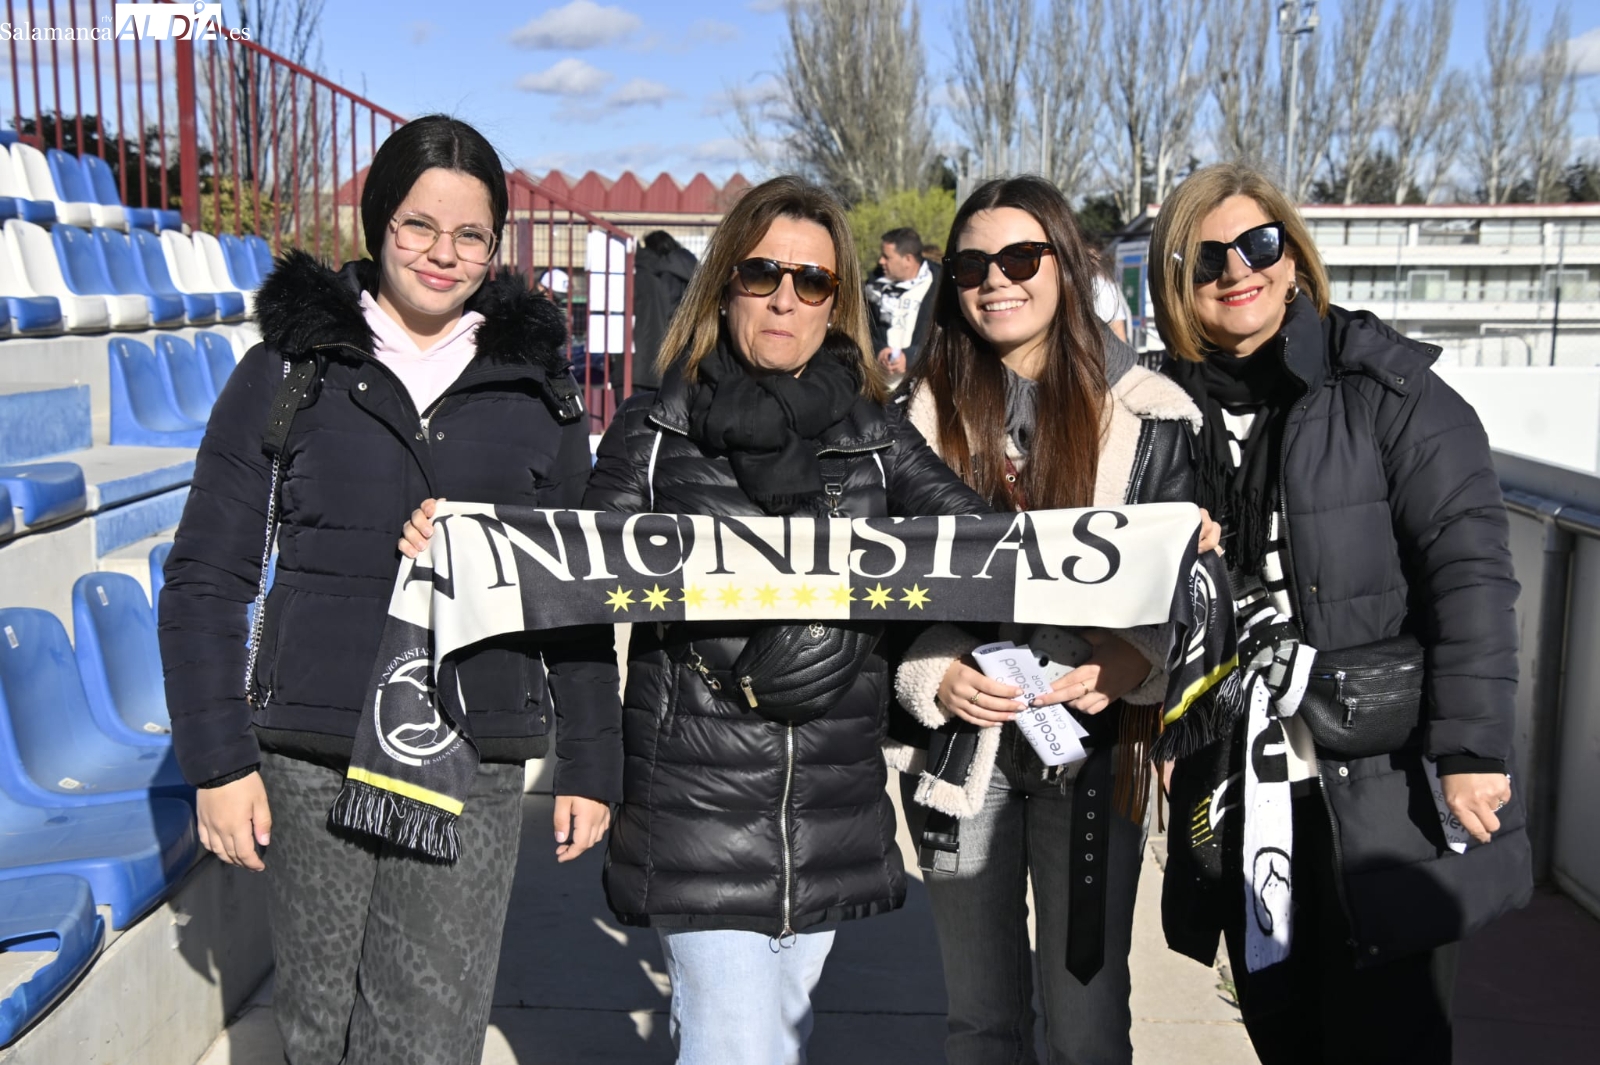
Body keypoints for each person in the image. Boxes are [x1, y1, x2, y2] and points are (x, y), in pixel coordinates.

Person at [405, 175, 988, 1065]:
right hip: (693, 809)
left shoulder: (881, 436)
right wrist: (462, 539)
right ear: (725, 284)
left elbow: (986, 550)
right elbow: (571, 574)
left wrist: (1156, 540)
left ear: (839, 304)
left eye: (813, 281)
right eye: (763, 275)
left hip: (827, 814)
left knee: (768, 1038)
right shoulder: (658, 430)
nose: (785, 298)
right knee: (739, 1050)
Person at [159, 115, 622, 1065]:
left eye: (469, 236)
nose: (442, 255)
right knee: (322, 1033)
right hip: (311, 754)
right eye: (419, 225)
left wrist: (591, 759)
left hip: (470, 754)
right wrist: (217, 760)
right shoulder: (287, 371)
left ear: (495, 248)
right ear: (377, 224)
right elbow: (207, 574)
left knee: (427, 1038)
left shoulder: (540, 391)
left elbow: (575, 588)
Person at [1148, 162, 1529, 1064]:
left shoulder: (1388, 391)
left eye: (1259, 244)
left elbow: (1470, 567)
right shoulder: (1158, 417)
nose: (1237, 270)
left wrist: (1471, 750)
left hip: (1379, 788)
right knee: (1284, 1034)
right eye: (1207, 259)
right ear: (1177, 284)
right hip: (1242, 789)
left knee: (1389, 1036)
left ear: (1294, 255)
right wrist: (1172, 734)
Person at [887, 175, 1212, 1065]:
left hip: (1091, 756)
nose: (997, 280)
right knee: (982, 1021)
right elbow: (878, 594)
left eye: (1021, 258)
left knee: (1088, 1022)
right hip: (964, 755)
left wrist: (1120, 665)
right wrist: (933, 675)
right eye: (971, 265)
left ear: (1064, 268)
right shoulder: (909, 423)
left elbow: (1182, 589)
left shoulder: (1152, 417)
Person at [629, 229, 698, 394]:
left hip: (655, 354)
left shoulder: (660, 276)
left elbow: (662, 312)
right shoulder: (691, 270)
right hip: (686, 352)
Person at [865, 226, 937, 384]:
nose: (880, 261)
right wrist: (878, 352)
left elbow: (946, 339)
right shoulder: (873, 286)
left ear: (908, 260)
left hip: (923, 386)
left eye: (887, 257)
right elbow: (862, 331)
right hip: (880, 389)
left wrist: (911, 357)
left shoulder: (941, 287)